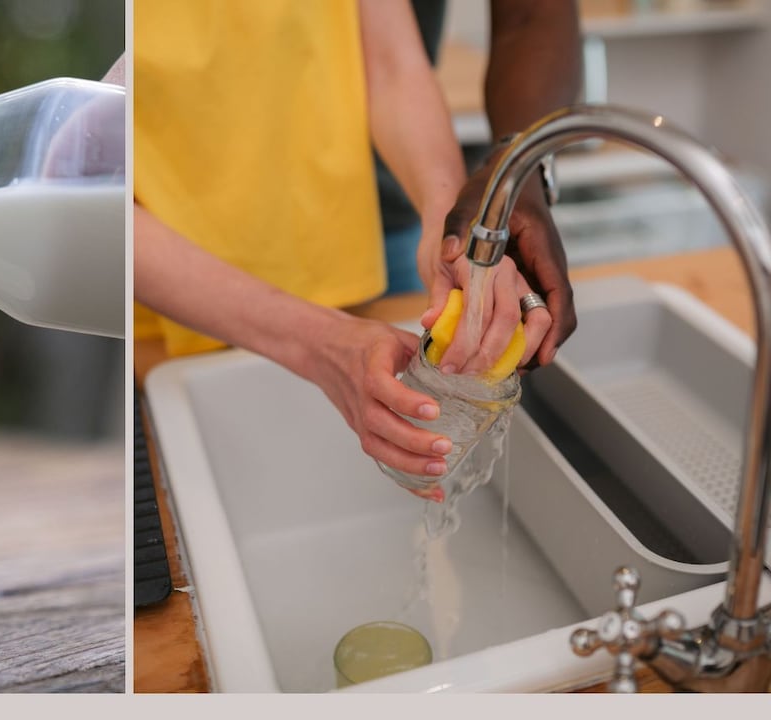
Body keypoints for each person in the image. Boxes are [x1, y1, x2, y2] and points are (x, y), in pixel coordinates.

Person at [132, 0, 580, 484]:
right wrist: (319, 342)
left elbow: (393, 68)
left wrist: (451, 227)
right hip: (161, 317)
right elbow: (92, 200)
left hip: (344, 281)